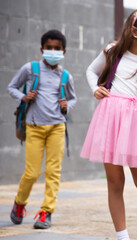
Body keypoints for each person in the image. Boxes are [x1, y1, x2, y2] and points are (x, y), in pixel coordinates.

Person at [80, 8, 137, 240]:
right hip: (110, 120)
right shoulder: (112, 51)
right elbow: (91, 71)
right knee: (115, 181)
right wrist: (95, 89)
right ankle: (122, 236)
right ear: (134, 28)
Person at [7, 29, 77, 229]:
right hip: (34, 127)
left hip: (56, 127)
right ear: (41, 49)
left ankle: (46, 212)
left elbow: (73, 98)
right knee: (32, 172)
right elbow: (11, 87)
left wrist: (67, 105)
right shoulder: (30, 69)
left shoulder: (65, 75)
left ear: (64, 52)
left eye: (57, 49)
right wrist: (23, 97)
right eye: (49, 48)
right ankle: (19, 203)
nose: (53, 51)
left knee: (53, 172)